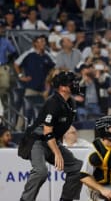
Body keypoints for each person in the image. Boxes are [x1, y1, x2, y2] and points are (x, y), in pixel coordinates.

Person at [18, 71, 83, 201]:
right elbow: (47, 131)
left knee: (77, 167)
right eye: (72, 82)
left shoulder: (71, 102)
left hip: (51, 140)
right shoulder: (53, 103)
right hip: (36, 140)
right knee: (41, 172)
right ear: (63, 87)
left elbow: (59, 127)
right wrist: (57, 153)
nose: (76, 84)